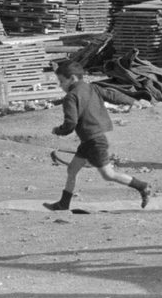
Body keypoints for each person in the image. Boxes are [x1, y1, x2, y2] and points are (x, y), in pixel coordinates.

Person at [45, 60, 154, 209]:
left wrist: (58, 130)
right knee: (72, 169)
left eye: (61, 81)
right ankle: (64, 203)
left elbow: (70, 124)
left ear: (72, 79)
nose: (60, 85)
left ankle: (142, 186)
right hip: (90, 140)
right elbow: (112, 94)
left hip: (93, 141)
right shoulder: (93, 87)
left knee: (108, 174)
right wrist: (131, 100)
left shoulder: (71, 97)